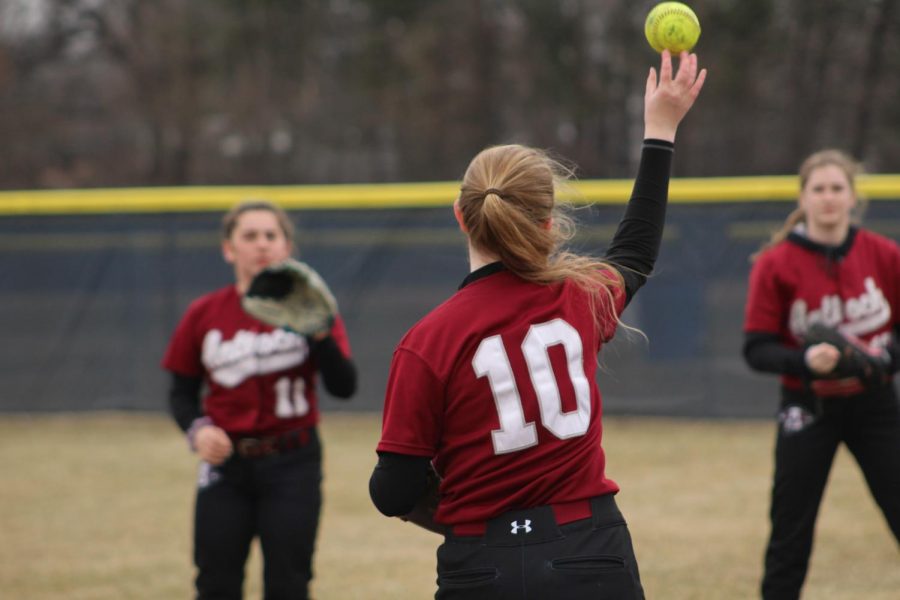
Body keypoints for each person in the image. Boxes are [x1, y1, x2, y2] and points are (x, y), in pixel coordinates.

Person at [369, 51, 705, 600]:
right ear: (548, 221)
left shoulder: (428, 341)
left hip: (482, 563)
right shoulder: (578, 298)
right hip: (591, 550)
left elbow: (393, 490)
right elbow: (636, 253)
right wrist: (660, 129)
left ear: (460, 214)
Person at [162, 199, 357, 600]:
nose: (262, 244)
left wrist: (319, 332)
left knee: (288, 584)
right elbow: (181, 393)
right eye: (249, 236)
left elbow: (343, 386)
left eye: (272, 235)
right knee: (216, 583)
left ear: (286, 247)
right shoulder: (205, 313)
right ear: (228, 249)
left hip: (293, 461)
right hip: (226, 465)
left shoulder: (309, 307)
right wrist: (198, 431)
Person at [743, 149, 900, 599]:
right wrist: (804, 364)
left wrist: (885, 360)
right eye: (819, 189)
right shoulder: (776, 263)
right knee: (790, 530)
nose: (828, 198)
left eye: (837, 188)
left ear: (853, 198)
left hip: (876, 405)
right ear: (803, 197)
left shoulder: (884, 254)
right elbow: (757, 348)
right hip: (807, 405)